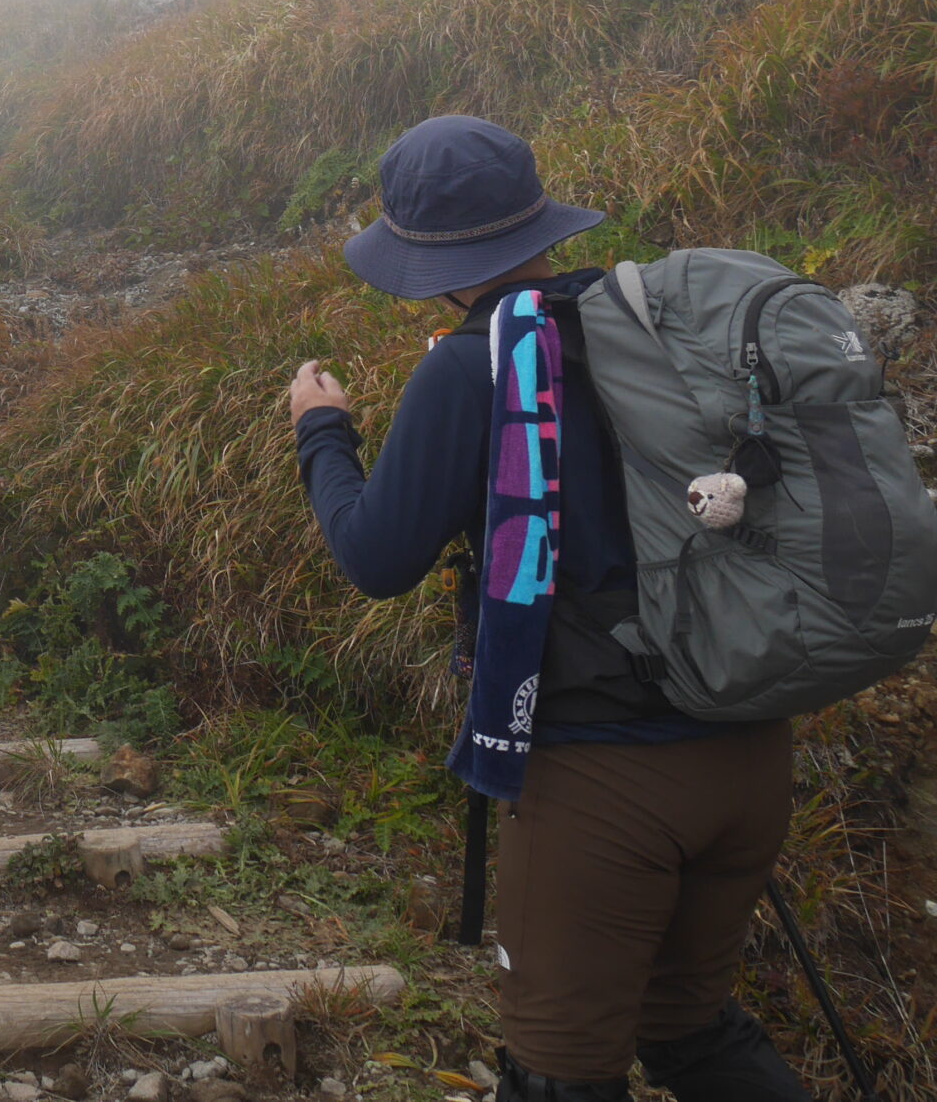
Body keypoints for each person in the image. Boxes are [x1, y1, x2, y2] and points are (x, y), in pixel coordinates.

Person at [287, 117, 806, 1102]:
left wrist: (322, 432)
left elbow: (375, 552)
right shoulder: (656, 327)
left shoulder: (474, 361)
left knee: (557, 1073)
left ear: (431, 261)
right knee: (692, 1031)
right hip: (747, 744)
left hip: (603, 780)